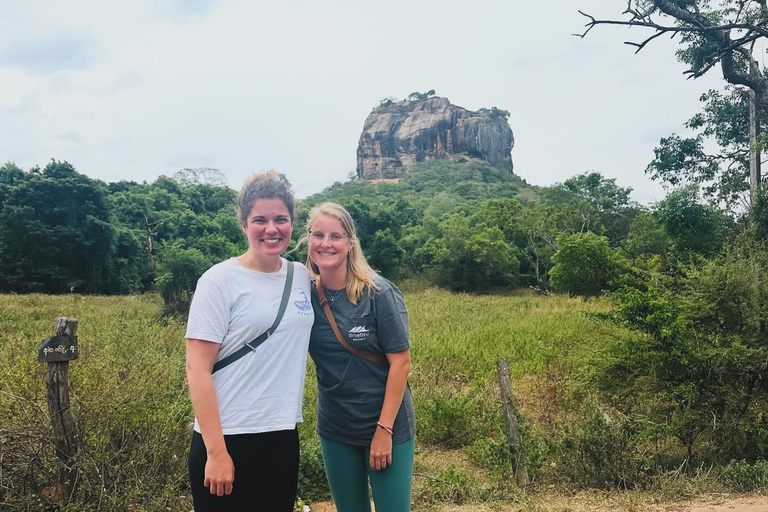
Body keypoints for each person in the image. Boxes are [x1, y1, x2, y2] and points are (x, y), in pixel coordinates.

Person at [185, 171, 314, 512]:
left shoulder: (301, 275)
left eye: (280, 220)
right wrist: (216, 452)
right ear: (244, 224)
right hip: (227, 438)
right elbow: (197, 370)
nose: (271, 229)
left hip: (282, 434)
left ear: (291, 223)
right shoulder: (219, 281)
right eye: (260, 219)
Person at [304, 202, 415, 512]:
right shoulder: (305, 295)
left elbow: (401, 362)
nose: (326, 243)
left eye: (336, 236)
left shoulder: (378, 293)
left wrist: (383, 431)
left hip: (385, 425)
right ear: (309, 239)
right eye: (319, 234)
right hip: (336, 428)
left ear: (350, 242)